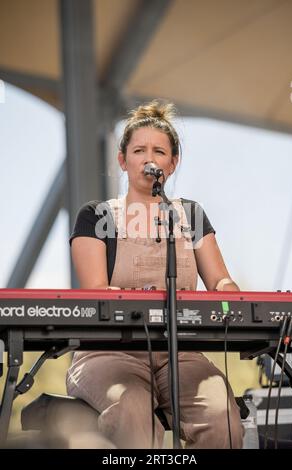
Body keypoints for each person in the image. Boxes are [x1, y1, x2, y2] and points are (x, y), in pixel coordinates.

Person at [66, 100, 244, 449]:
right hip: (108, 353)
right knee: (130, 408)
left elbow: (219, 281)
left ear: (172, 163)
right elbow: (96, 291)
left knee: (222, 415)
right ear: (123, 160)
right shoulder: (96, 216)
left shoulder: (191, 215)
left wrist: (230, 291)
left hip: (183, 353)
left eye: (159, 151)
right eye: (139, 150)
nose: (149, 158)